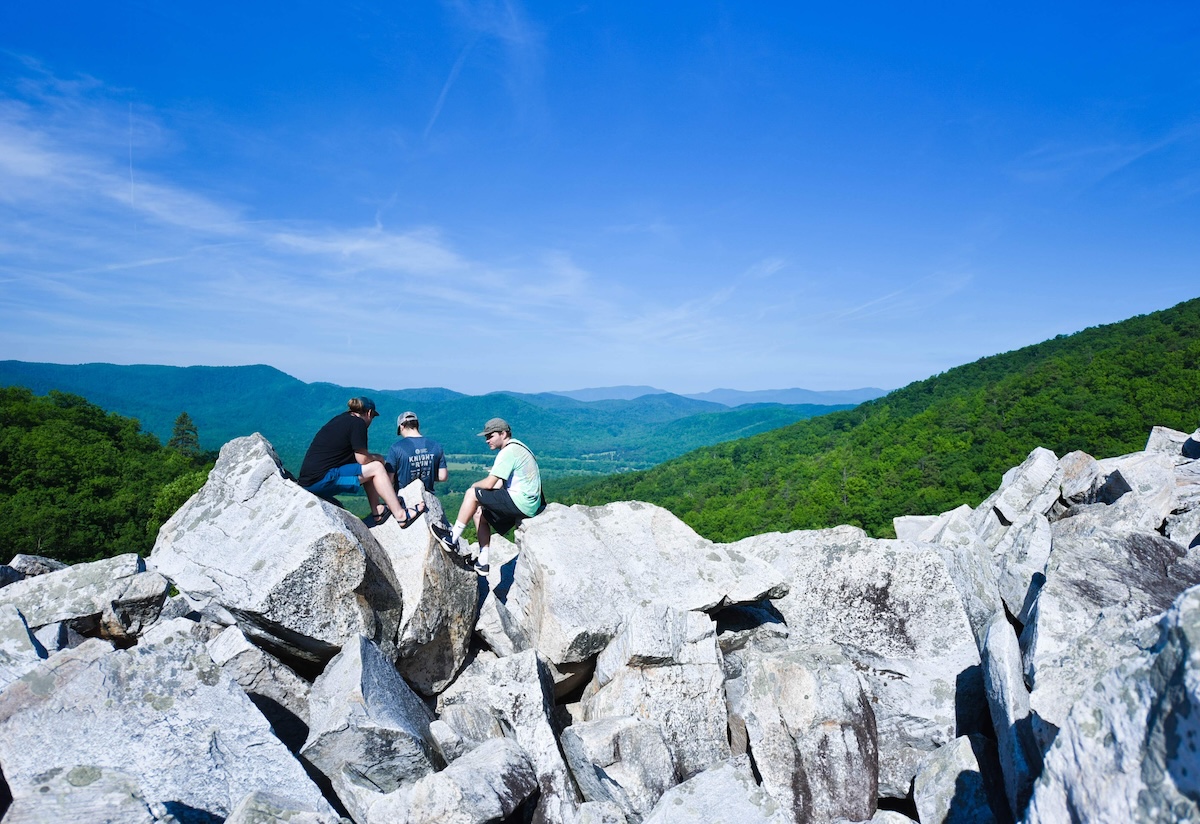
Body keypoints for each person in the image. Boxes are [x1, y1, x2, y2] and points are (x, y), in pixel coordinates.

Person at [431, 417, 544, 575]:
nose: (487, 440)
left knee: (472, 494)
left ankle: (451, 538)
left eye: (490, 436)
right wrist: (483, 500)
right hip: (530, 504)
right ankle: (483, 563)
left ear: (503, 434)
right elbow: (499, 484)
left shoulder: (508, 451)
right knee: (480, 514)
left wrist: (474, 487)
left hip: (520, 502)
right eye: (486, 437)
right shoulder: (519, 447)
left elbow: (490, 483)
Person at [297, 397, 419, 526]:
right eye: (372, 417)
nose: (371, 421)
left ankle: (378, 510)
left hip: (310, 479)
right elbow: (363, 459)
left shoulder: (341, 419)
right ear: (369, 413)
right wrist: (379, 458)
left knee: (371, 468)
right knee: (376, 467)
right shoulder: (358, 423)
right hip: (321, 480)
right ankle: (401, 515)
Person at [384, 411, 448, 493]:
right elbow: (443, 476)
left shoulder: (396, 448)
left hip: (404, 499)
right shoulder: (435, 446)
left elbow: (388, 480)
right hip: (427, 498)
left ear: (401, 426)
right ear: (417, 425)